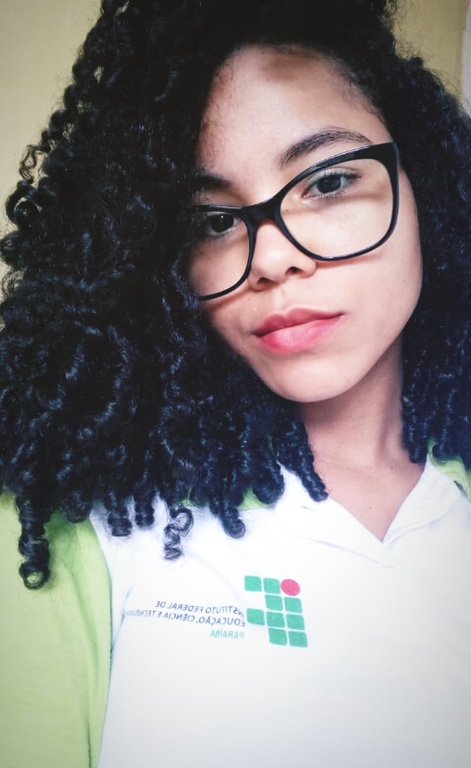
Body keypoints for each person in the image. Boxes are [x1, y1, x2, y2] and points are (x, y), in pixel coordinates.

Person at [0, 0, 470, 766]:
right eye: (212, 223)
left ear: (426, 182)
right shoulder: (65, 521)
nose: (273, 258)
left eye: (328, 181)